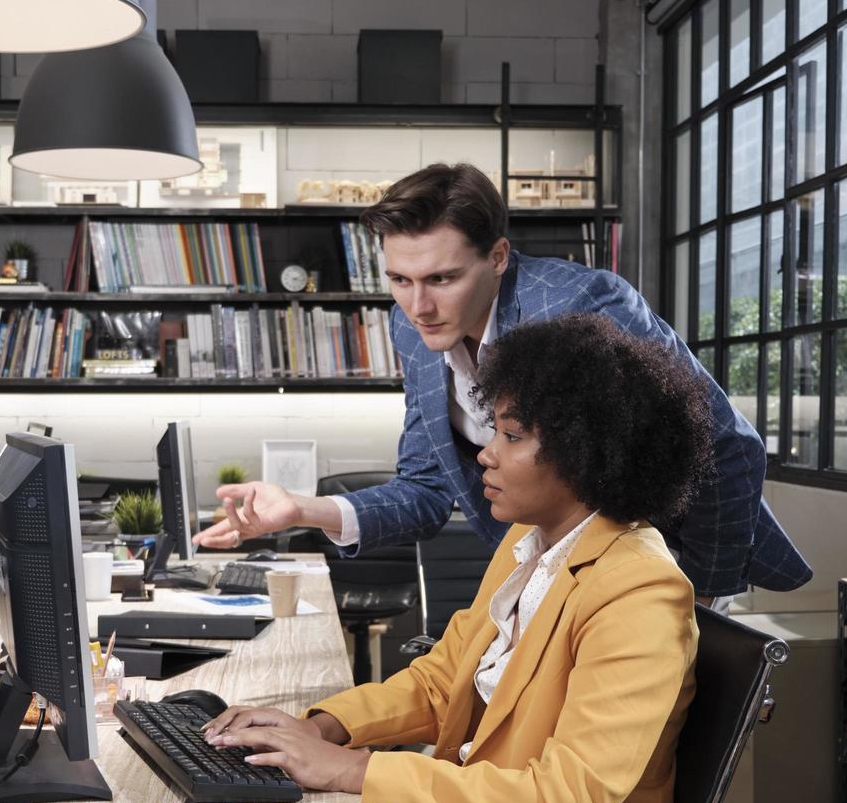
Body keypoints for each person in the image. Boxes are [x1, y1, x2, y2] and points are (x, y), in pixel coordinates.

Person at [204, 315, 714, 803]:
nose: (486, 452)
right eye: (493, 429)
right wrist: (324, 727)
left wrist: (353, 769)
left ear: (589, 449)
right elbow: (443, 679)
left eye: (512, 435)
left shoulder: (639, 595)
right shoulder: (529, 544)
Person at [192, 162, 809, 603]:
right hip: (547, 575)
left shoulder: (582, 308)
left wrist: (701, 599)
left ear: (497, 257)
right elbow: (428, 491)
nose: (418, 304)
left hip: (659, 566)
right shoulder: (412, 331)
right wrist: (303, 509)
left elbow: (725, 447)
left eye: (441, 278)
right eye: (400, 280)